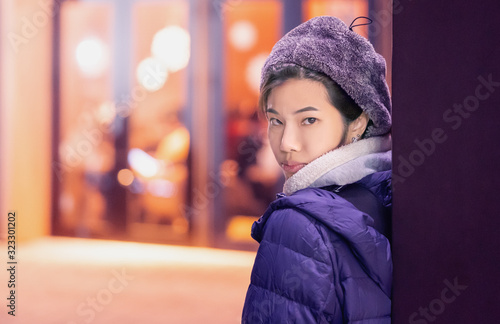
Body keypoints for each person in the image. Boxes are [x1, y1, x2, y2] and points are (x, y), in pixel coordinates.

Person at [242, 16, 393, 323]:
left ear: (359, 122)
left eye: (308, 120)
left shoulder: (296, 224)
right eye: (275, 120)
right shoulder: (392, 197)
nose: (287, 143)